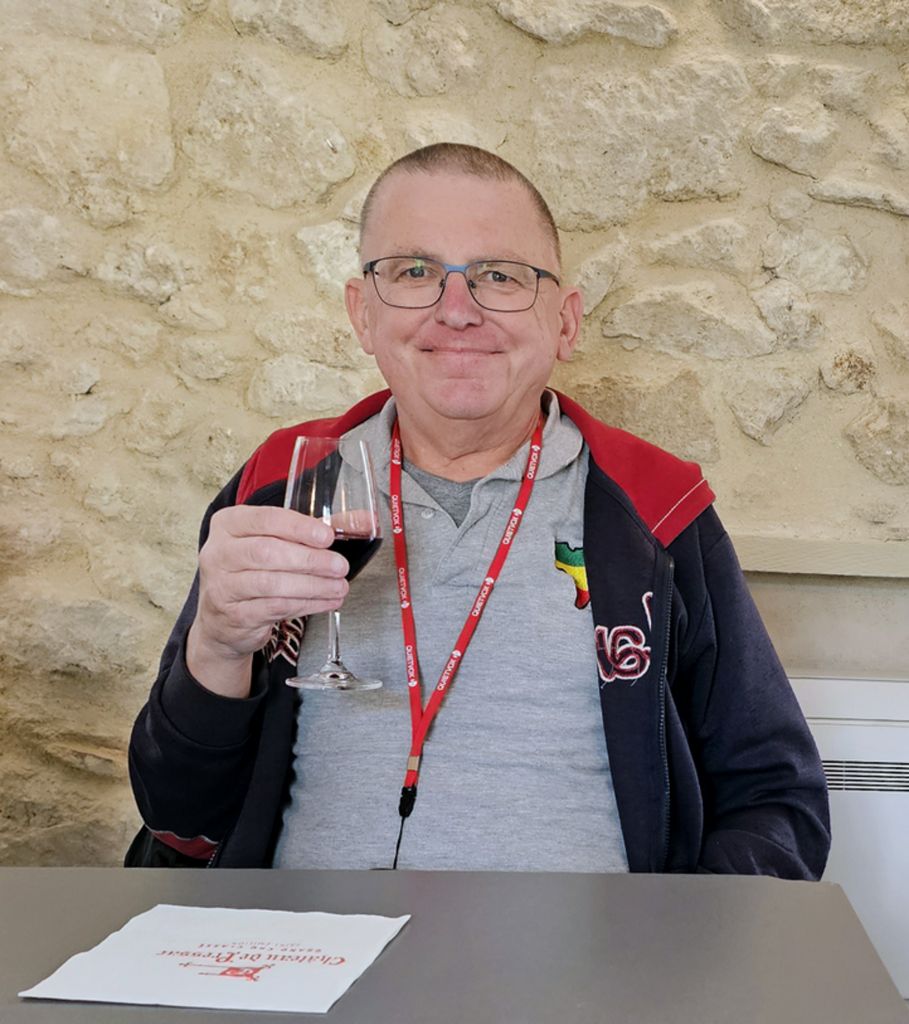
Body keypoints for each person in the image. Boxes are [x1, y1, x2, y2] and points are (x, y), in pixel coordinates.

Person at [127, 143, 830, 876]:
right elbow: (178, 819)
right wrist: (216, 649)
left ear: (564, 321)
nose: (456, 311)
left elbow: (775, 799)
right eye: (413, 273)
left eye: (499, 276)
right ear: (362, 314)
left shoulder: (656, 508)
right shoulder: (281, 489)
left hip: (579, 980)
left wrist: (673, 962)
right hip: (308, 969)